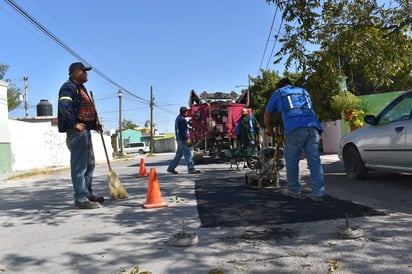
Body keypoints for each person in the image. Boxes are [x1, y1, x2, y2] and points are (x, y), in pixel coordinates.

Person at [264, 78, 325, 202]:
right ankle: (318, 192)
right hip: (313, 127)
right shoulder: (303, 91)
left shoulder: (279, 92)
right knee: (314, 161)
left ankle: (294, 190)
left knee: (292, 160)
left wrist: (269, 129)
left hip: (294, 127)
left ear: (280, 86)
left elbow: (267, 112)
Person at [58, 62, 104, 209]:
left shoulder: (81, 88)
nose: (86, 74)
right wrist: (74, 124)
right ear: (76, 73)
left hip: (85, 131)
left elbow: (84, 111)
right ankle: (81, 199)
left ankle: (88, 194)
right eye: (84, 72)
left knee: (90, 164)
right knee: (79, 166)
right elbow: (65, 106)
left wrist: (94, 124)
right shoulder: (68, 87)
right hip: (76, 132)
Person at [167, 106, 201, 174]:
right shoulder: (182, 120)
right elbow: (183, 131)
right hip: (184, 139)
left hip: (179, 139)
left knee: (178, 155)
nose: (187, 113)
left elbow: (181, 128)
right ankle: (191, 169)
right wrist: (187, 140)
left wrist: (188, 123)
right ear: (184, 112)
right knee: (189, 153)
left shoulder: (178, 118)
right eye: (186, 112)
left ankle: (171, 168)